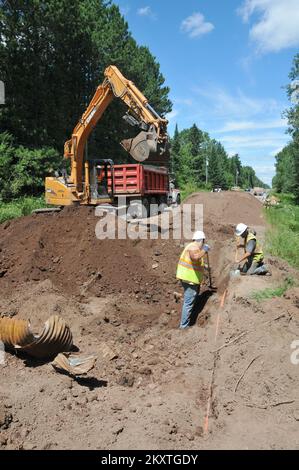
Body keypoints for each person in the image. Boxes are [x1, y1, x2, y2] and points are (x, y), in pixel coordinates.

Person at [176, 231, 210, 329]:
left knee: (191, 300)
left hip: (190, 279)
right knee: (189, 302)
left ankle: (189, 319)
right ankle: (184, 326)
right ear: (202, 240)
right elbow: (195, 258)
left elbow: (196, 262)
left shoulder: (194, 248)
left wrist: (205, 266)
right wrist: (205, 249)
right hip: (189, 279)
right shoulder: (193, 247)